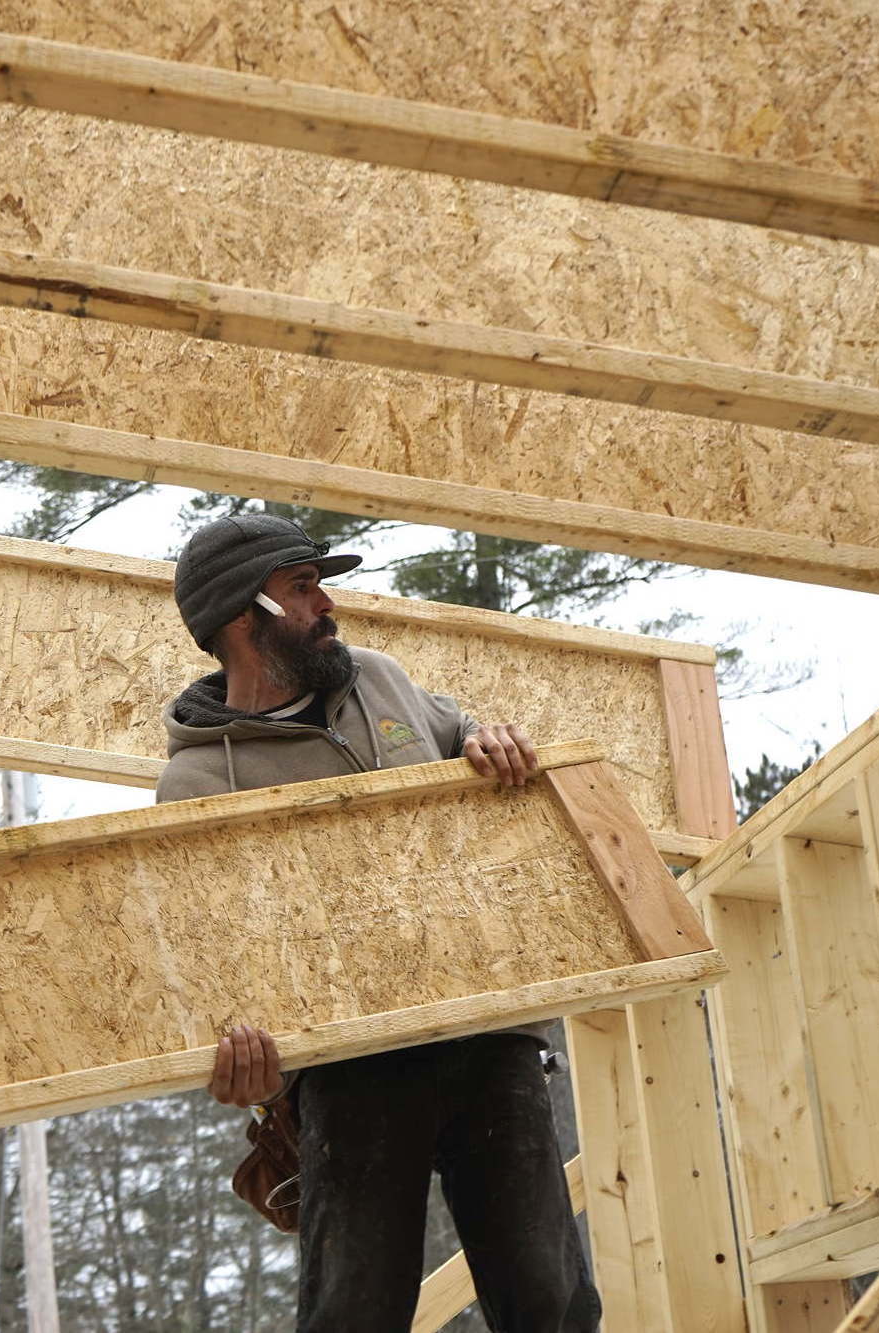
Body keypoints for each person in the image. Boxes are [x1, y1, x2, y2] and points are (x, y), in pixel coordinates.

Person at [157, 514, 601, 1332]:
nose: (327, 602)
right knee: (353, 1310)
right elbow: (207, 960)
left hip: (484, 1028)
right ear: (241, 615)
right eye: (302, 588)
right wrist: (233, 1057)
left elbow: (456, 733)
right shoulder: (195, 785)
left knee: (550, 1300)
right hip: (351, 1064)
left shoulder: (381, 679)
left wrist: (487, 738)